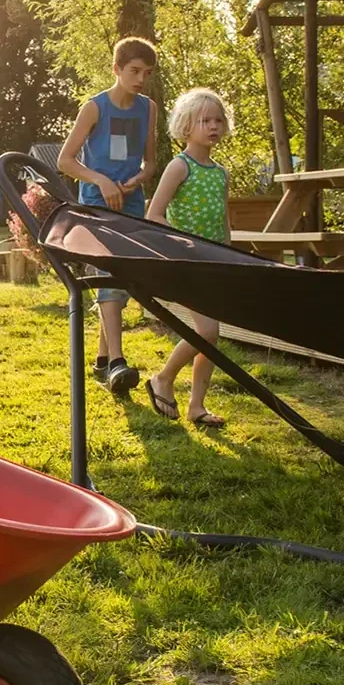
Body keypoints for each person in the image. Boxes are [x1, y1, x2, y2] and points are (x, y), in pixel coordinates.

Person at [57, 35, 161, 396]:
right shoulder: (94, 108)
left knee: (122, 278)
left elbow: (151, 163)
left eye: (147, 73)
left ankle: (102, 359)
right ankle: (117, 361)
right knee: (106, 276)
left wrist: (138, 180)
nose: (141, 79)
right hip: (96, 205)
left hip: (131, 204)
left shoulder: (148, 108)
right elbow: (65, 161)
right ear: (116, 69)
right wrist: (101, 180)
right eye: (134, 71)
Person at [143, 87, 233, 428]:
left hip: (215, 263)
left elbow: (224, 221)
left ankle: (197, 406)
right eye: (204, 121)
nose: (213, 126)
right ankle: (163, 378)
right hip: (186, 262)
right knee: (207, 331)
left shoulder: (220, 173)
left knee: (211, 335)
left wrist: (228, 254)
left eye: (218, 120)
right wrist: (185, 244)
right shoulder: (180, 167)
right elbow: (154, 215)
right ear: (186, 125)